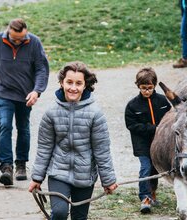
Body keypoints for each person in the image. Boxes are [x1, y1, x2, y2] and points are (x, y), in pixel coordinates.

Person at [28, 61, 118, 220]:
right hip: (58, 173)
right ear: (62, 82)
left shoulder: (95, 114)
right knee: (60, 212)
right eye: (69, 82)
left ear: (85, 85)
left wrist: (108, 180)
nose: (73, 88)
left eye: (78, 83)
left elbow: (102, 150)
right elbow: (44, 147)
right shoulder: (51, 112)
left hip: (84, 175)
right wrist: (37, 177)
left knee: (79, 217)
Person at [0, 18, 49, 186]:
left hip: (25, 95)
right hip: (2, 93)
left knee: (23, 127)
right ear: (8, 31)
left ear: (26, 32)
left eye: (21, 38)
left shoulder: (34, 43)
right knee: (5, 125)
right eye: (14, 38)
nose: (18, 41)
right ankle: (6, 167)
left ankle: (21, 164)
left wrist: (37, 91)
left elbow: (42, 68)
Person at [124, 67, 171, 213]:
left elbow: (170, 117)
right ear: (138, 86)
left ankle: (152, 193)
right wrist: (153, 128)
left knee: (154, 169)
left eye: (150, 88)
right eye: (143, 88)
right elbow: (131, 125)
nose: (147, 91)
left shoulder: (163, 101)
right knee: (145, 168)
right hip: (142, 144)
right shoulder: (132, 105)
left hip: (159, 143)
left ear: (154, 86)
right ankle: (144, 198)